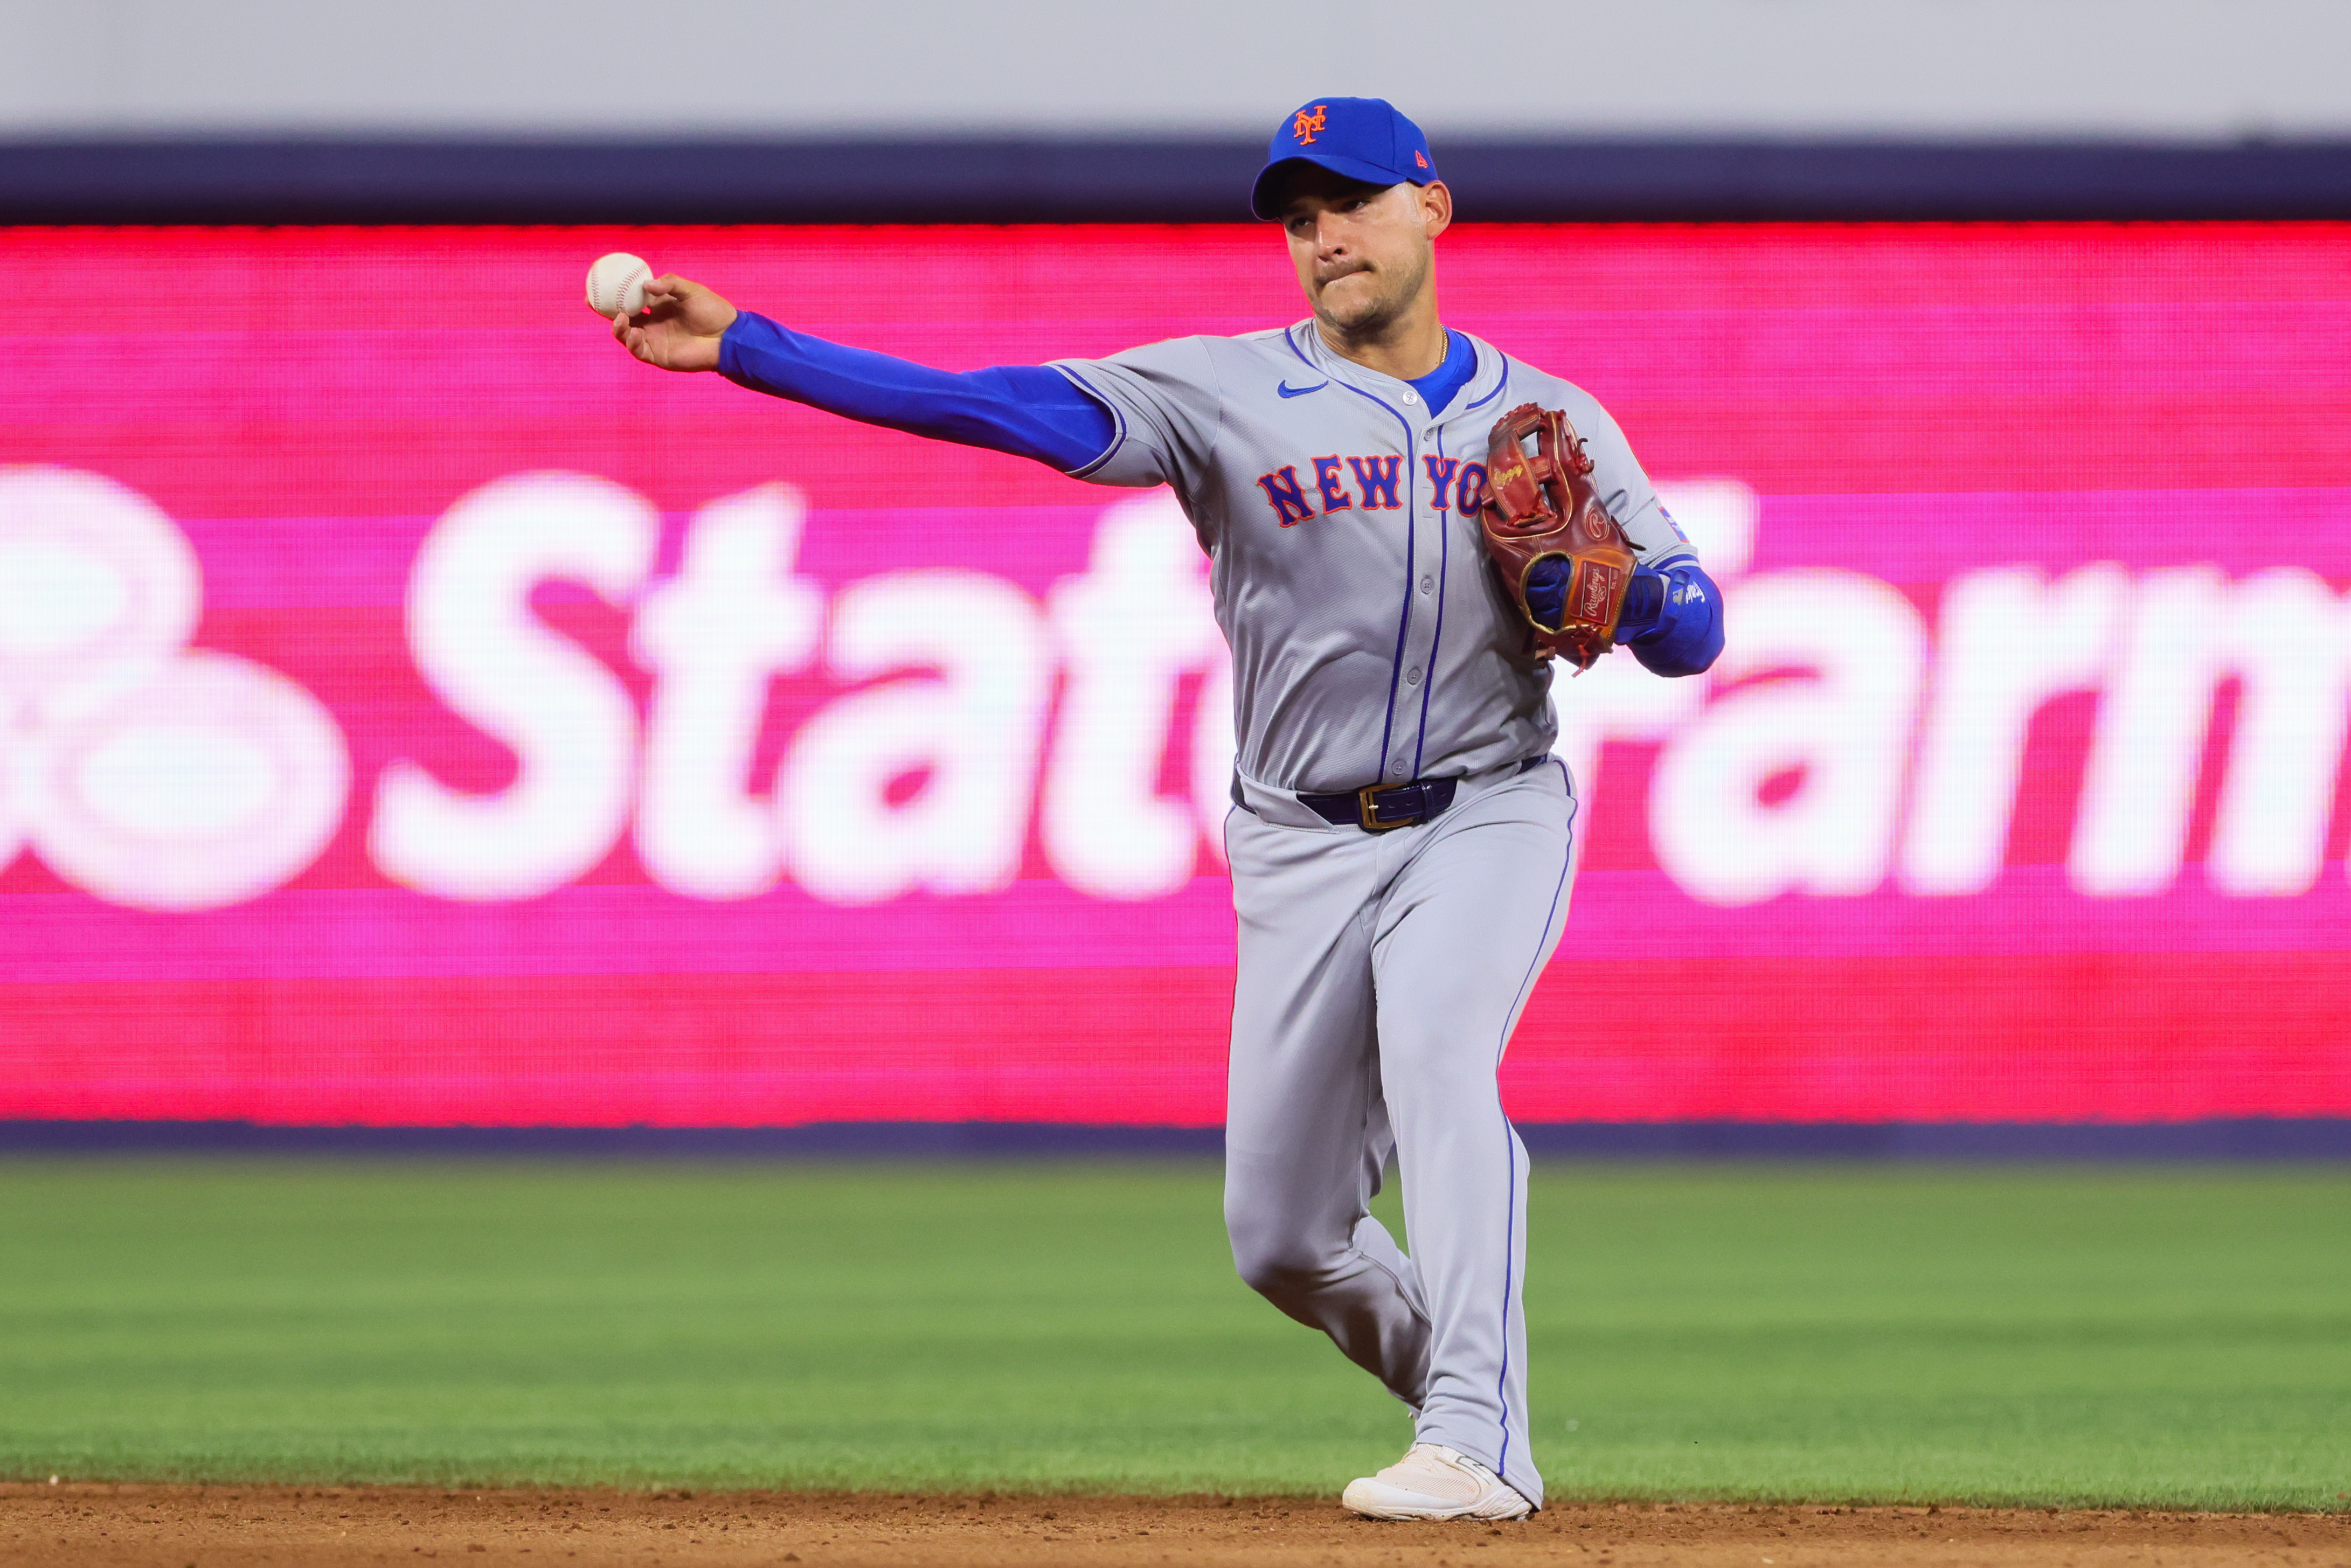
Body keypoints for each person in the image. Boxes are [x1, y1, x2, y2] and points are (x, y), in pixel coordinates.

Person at [610, 95, 1723, 1522]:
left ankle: (1477, 1434)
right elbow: (996, 406)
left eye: (1356, 202)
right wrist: (753, 350)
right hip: (1299, 840)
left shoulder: (1549, 419)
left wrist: (1629, 593)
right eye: (1300, 216)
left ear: (1431, 209)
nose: (1327, 236)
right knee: (1282, 1239)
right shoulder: (1221, 391)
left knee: (1440, 1055)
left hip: (1486, 814)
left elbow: (1692, 632)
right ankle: (1468, 1387)